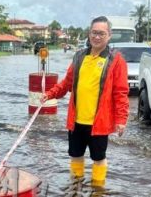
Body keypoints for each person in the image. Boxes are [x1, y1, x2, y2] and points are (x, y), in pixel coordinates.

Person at [42, 16, 129, 187]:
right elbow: (66, 83)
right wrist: (49, 94)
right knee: (75, 155)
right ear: (89, 34)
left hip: (99, 123)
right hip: (76, 121)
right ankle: (76, 187)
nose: (97, 37)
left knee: (98, 158)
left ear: (109, 36)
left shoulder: (116, 60)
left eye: (101, 34)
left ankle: (97, 190)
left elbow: (121, 92)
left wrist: (121, 120)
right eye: (94, 33)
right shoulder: (79, 56)